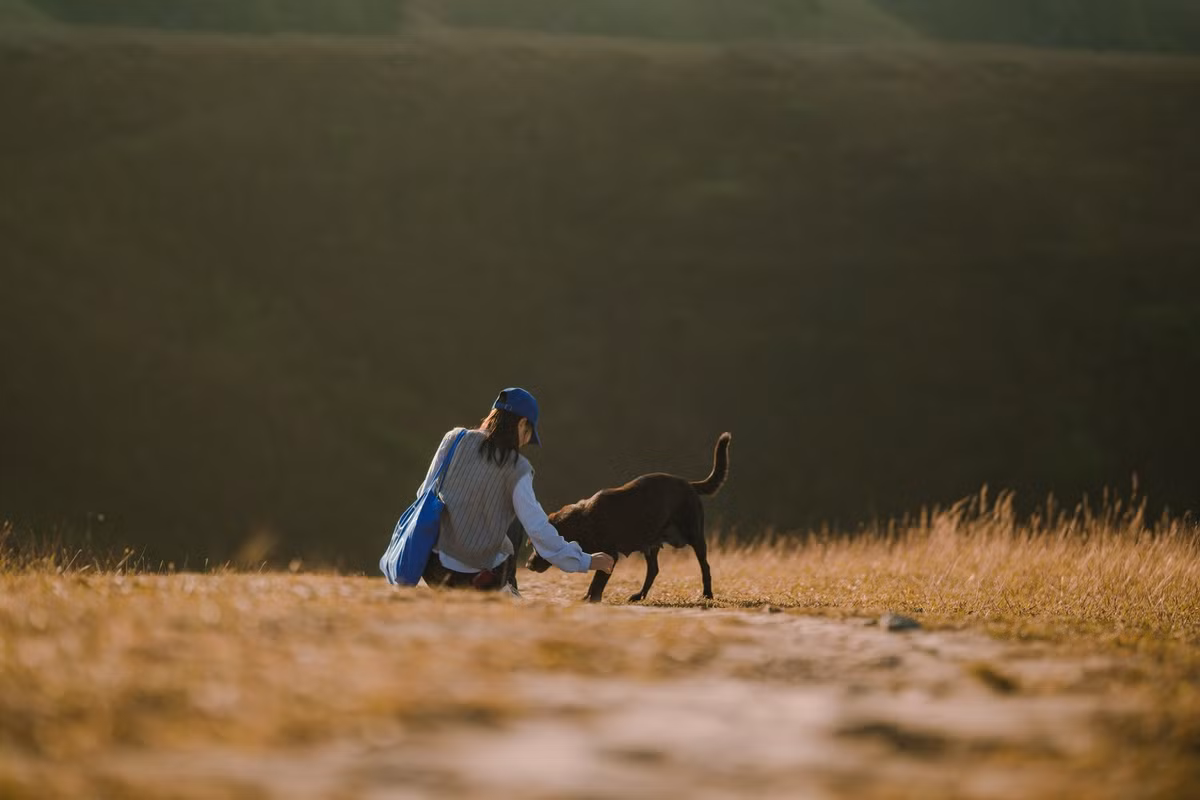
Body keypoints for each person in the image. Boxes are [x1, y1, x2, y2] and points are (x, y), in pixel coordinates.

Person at [418, 387, 615, 593]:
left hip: (433, 569)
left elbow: (424, 493)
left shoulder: (454, 438)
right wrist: (585, 561)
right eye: (529, 433)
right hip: (477, 580)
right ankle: (507, 588)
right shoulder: (518, 468)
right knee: (516, 519)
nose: (526, 441)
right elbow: (538, 528)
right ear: (522, 423)